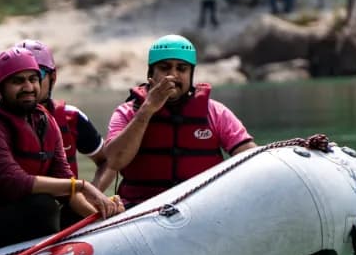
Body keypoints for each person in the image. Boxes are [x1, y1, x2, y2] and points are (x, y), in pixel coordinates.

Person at [0, 47, 121, 252]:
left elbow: (66, 184)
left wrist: (99, 217)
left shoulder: (45, 121)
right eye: (17, 81)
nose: (28, 87)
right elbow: (14, 182)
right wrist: (83, 185)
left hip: (12, 215)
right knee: (43, 206)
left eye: (33, 79)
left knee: (69, 207)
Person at [99, 35, 257, 208]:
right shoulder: (127, 112)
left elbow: (251, 157)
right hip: (141, 211)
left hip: (204, 207)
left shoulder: (216, 112)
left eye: (182, 69)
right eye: (164, 68)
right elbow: (115, 161)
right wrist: (146, 111)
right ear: (151, 73)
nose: (173, 75)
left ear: (191, 75)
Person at [15, 39, 107, 184]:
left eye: (37, 76)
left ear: (53, 78)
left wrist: (94, 196)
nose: (29, 86)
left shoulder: (71, 117)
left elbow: (106, 161)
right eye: (18, 78)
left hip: (68, 203)